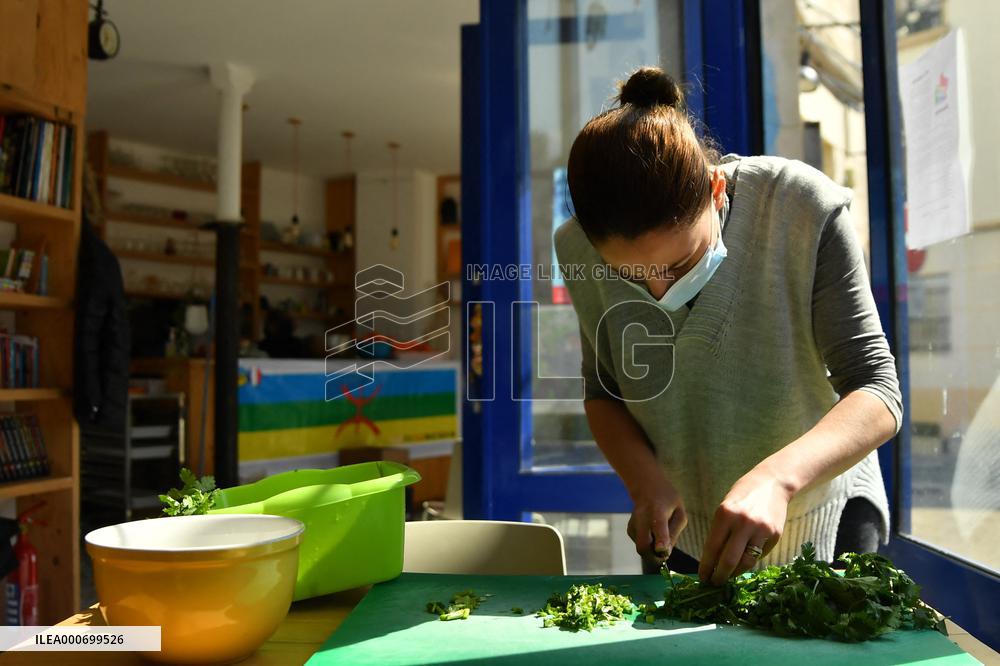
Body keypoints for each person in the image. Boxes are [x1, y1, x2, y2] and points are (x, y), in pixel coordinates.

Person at [555, 67, 901, 584]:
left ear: (717, 188)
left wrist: (778, 480)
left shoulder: (801, 207)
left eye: (678, 265)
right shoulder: (577, 249)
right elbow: (604, 392)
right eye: (628, 275)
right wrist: (645, 481)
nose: (659, 292)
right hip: (684, 536)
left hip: (822, 520)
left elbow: (877, 388)